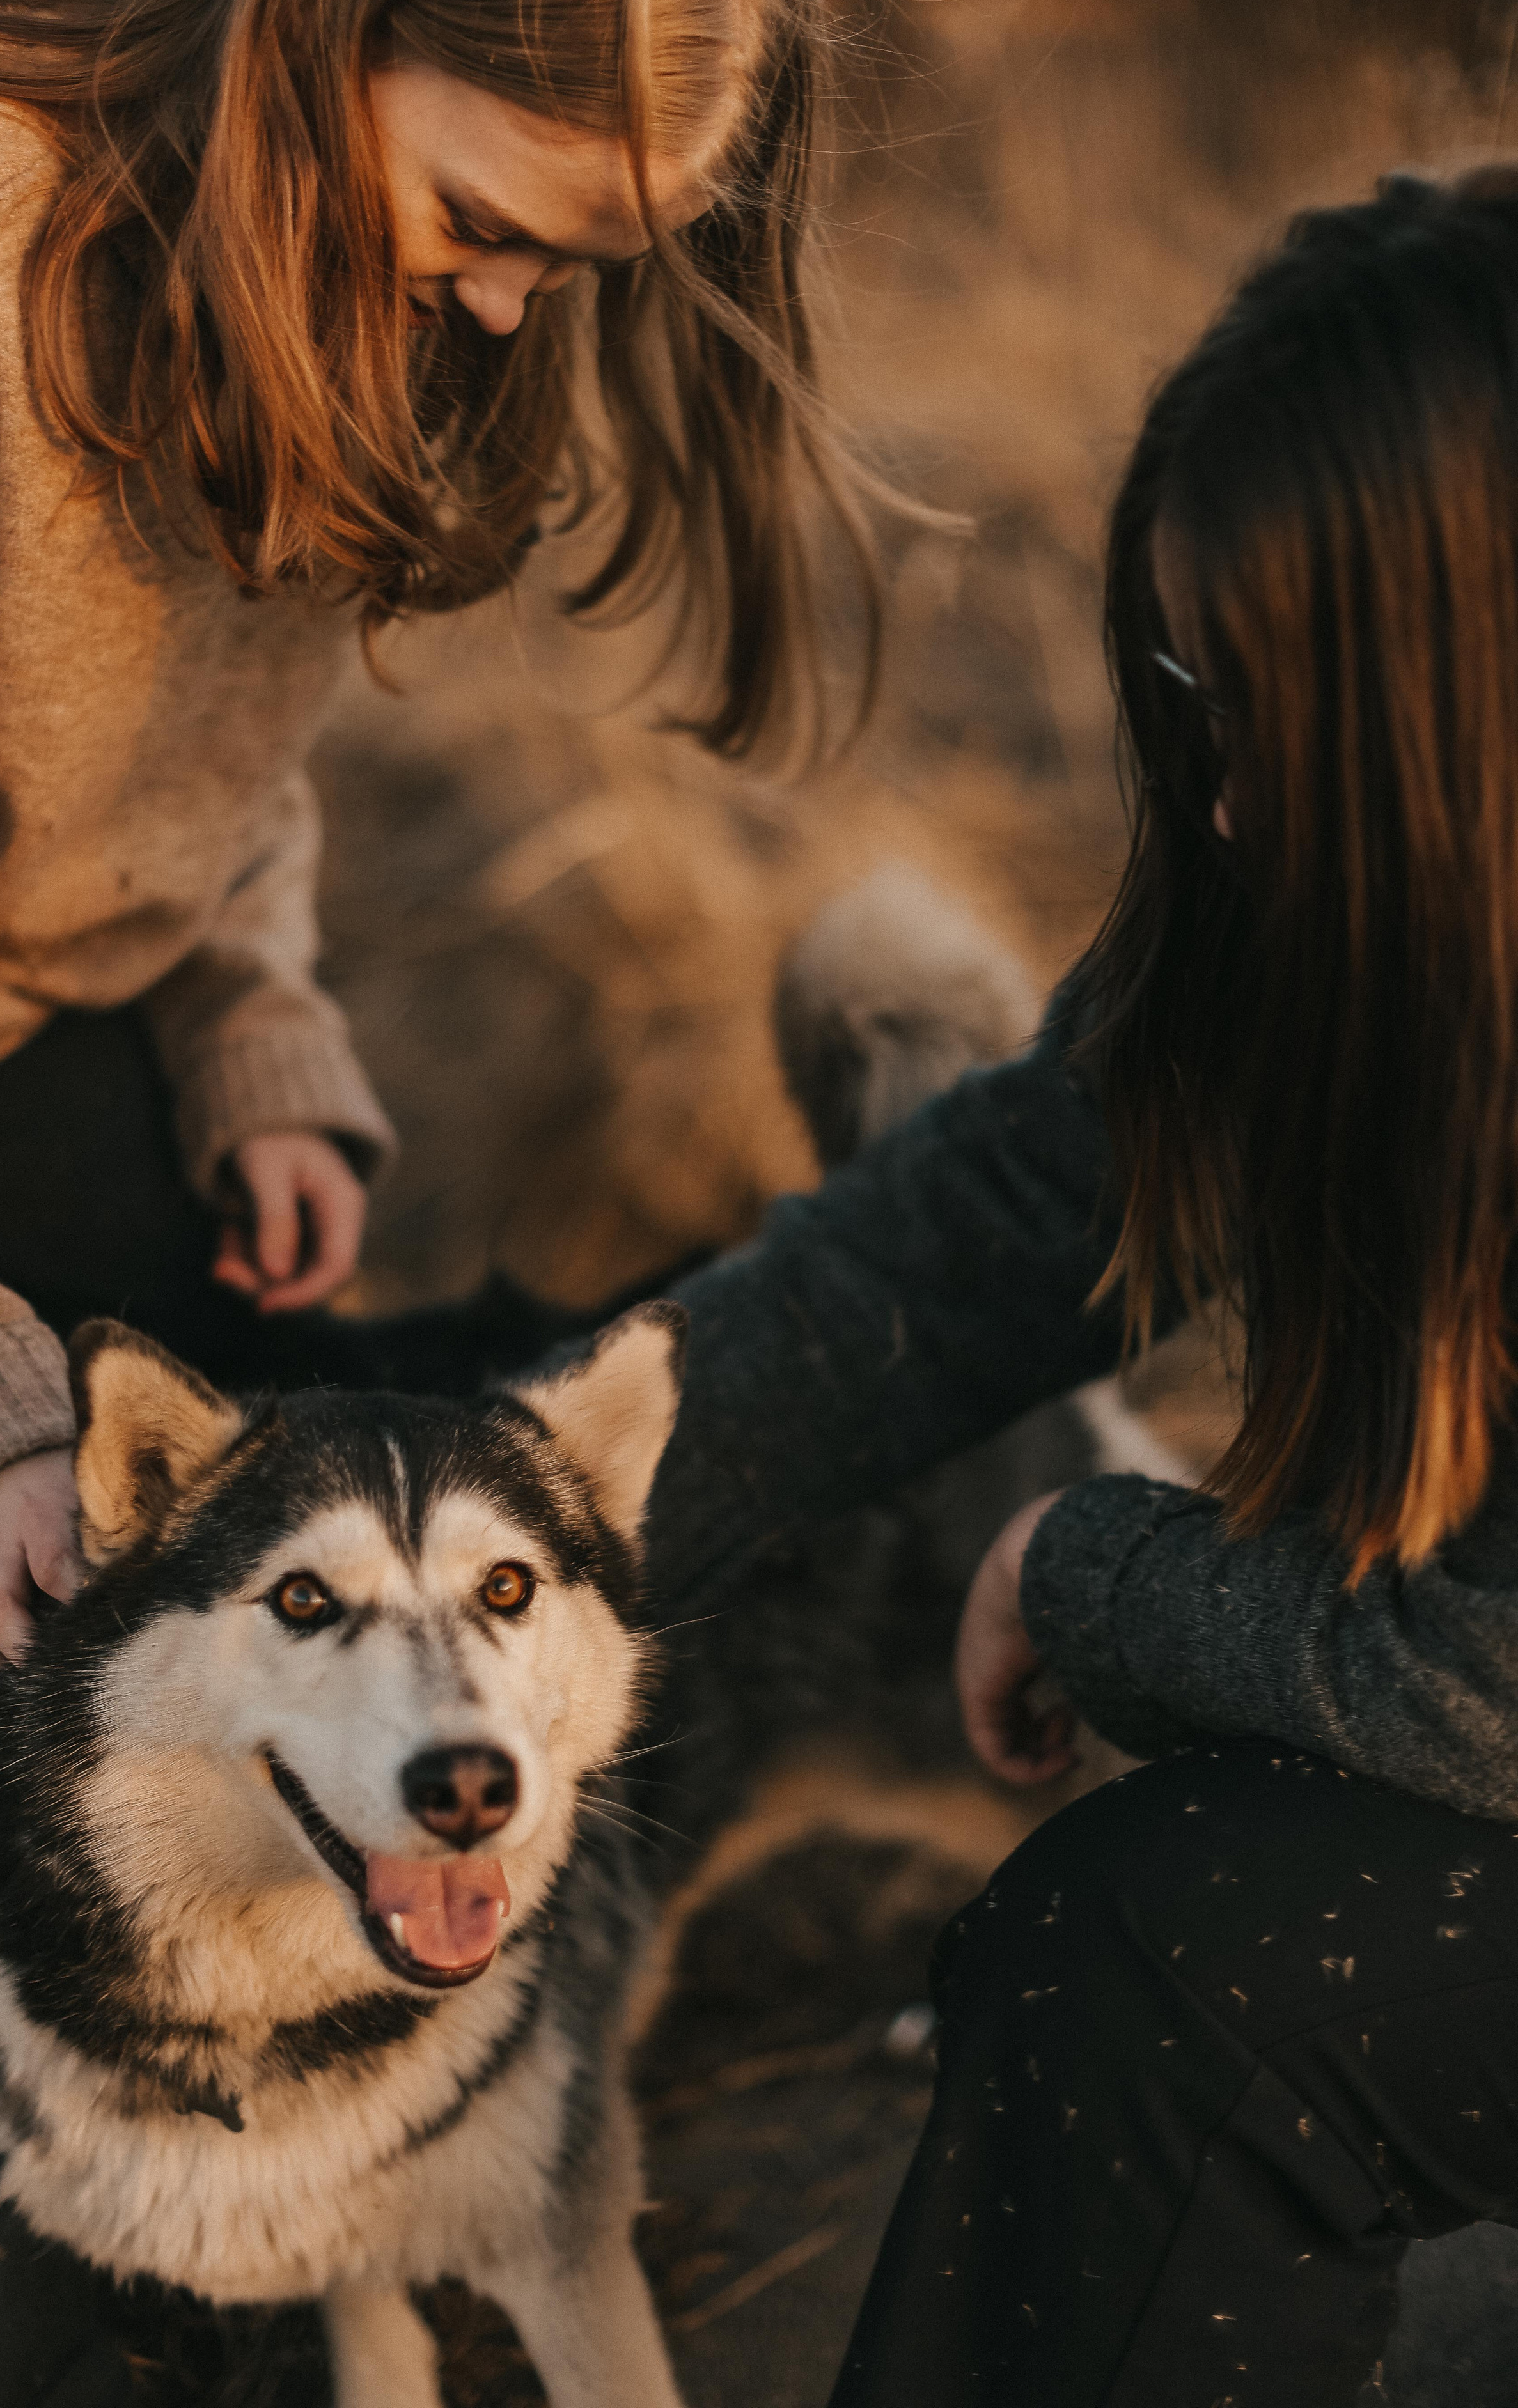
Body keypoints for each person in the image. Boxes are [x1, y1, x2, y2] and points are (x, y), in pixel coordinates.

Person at [634, 163, 1518, 2404]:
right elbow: (1001, 1224)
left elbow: (1493, 1689)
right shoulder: (1338, 902)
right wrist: (527, 1480)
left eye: (1267, 707)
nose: (1213, 796)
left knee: (1179, 1950)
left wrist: (1081, 1562)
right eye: (1184, 689)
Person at [0, 0, 869, 1688]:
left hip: (24, 1018)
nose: (500, 308)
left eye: (570, 267)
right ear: (324, 25)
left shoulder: (374, 277)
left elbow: (213, 740)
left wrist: (245, 1023)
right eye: (482, 222)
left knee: (252, 1566)